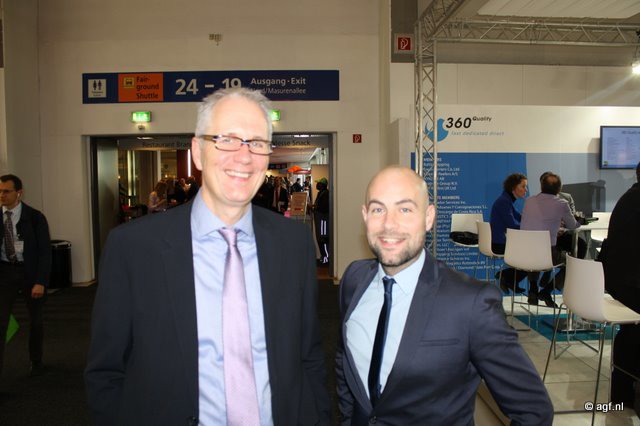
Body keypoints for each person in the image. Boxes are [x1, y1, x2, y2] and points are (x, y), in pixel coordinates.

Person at [85, 87, 330, 425]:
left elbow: (308, 355)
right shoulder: (134, 248)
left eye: (257, 143)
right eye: (226, 140)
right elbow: (107, 372)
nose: (244, 157)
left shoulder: (293, 244)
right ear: (198, 152)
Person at [335, 165, 553, 425]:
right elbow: (344, 357)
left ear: (429, 218)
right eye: (378, 209)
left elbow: (534, 411)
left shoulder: (471, 303)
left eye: (405, 209)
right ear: (365, 215)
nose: (389, 224)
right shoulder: (354, 279)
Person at [0, 174, 51, 377]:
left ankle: (36, 361)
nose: (2, 195)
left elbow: (45, 252)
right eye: (0, 191)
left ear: (19, 193)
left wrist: (40, 281)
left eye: (6, 191)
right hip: (5, 272)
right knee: (1, 323)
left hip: (29, 272)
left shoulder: (35, 217)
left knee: (36, 321)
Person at [601, 161, 640, 406]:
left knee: (631, 331)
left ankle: (623, 392)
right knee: (634, 330)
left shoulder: (629, 197)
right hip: (631, 282)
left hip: (618, 279)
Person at [521, 172, 579, 307]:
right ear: (559, 188)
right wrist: (580, 221)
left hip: (525, 252)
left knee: (537, 251)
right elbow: (573, 225)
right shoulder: (562, 203)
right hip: (547, 254)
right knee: (573, 263)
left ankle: (533, 289)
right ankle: (547, 291)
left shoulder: (529, 201)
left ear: (541, 186)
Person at [489, 173, 528, 293]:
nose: (525, 190)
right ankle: (505, 276)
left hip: (501, 242)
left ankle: (508, 278)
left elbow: (521, 218)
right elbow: (512, 225)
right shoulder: (504, 202)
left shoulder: (506, 200)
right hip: (499, 244)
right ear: (513, 187)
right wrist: (530, 227)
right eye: (523, 186)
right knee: (533, 254)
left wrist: (532, 220)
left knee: (531, 252)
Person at [539, 171, 587, 259]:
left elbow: (572, 216)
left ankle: (572, 267)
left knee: (581, 245)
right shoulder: (537, 201)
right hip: (544, 237)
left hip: (563, 233)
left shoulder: (566, 198)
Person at [313, 177, 330, 264]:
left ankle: (326, 258)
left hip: (323, 221)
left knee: (324, 239)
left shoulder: (326, 194)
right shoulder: (321, 193)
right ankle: (323, 257)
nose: (317, 185)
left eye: (319, 183)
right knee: (320, 239)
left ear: (323, 185)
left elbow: (324, 208)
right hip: (319, 220)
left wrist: (315, 208)